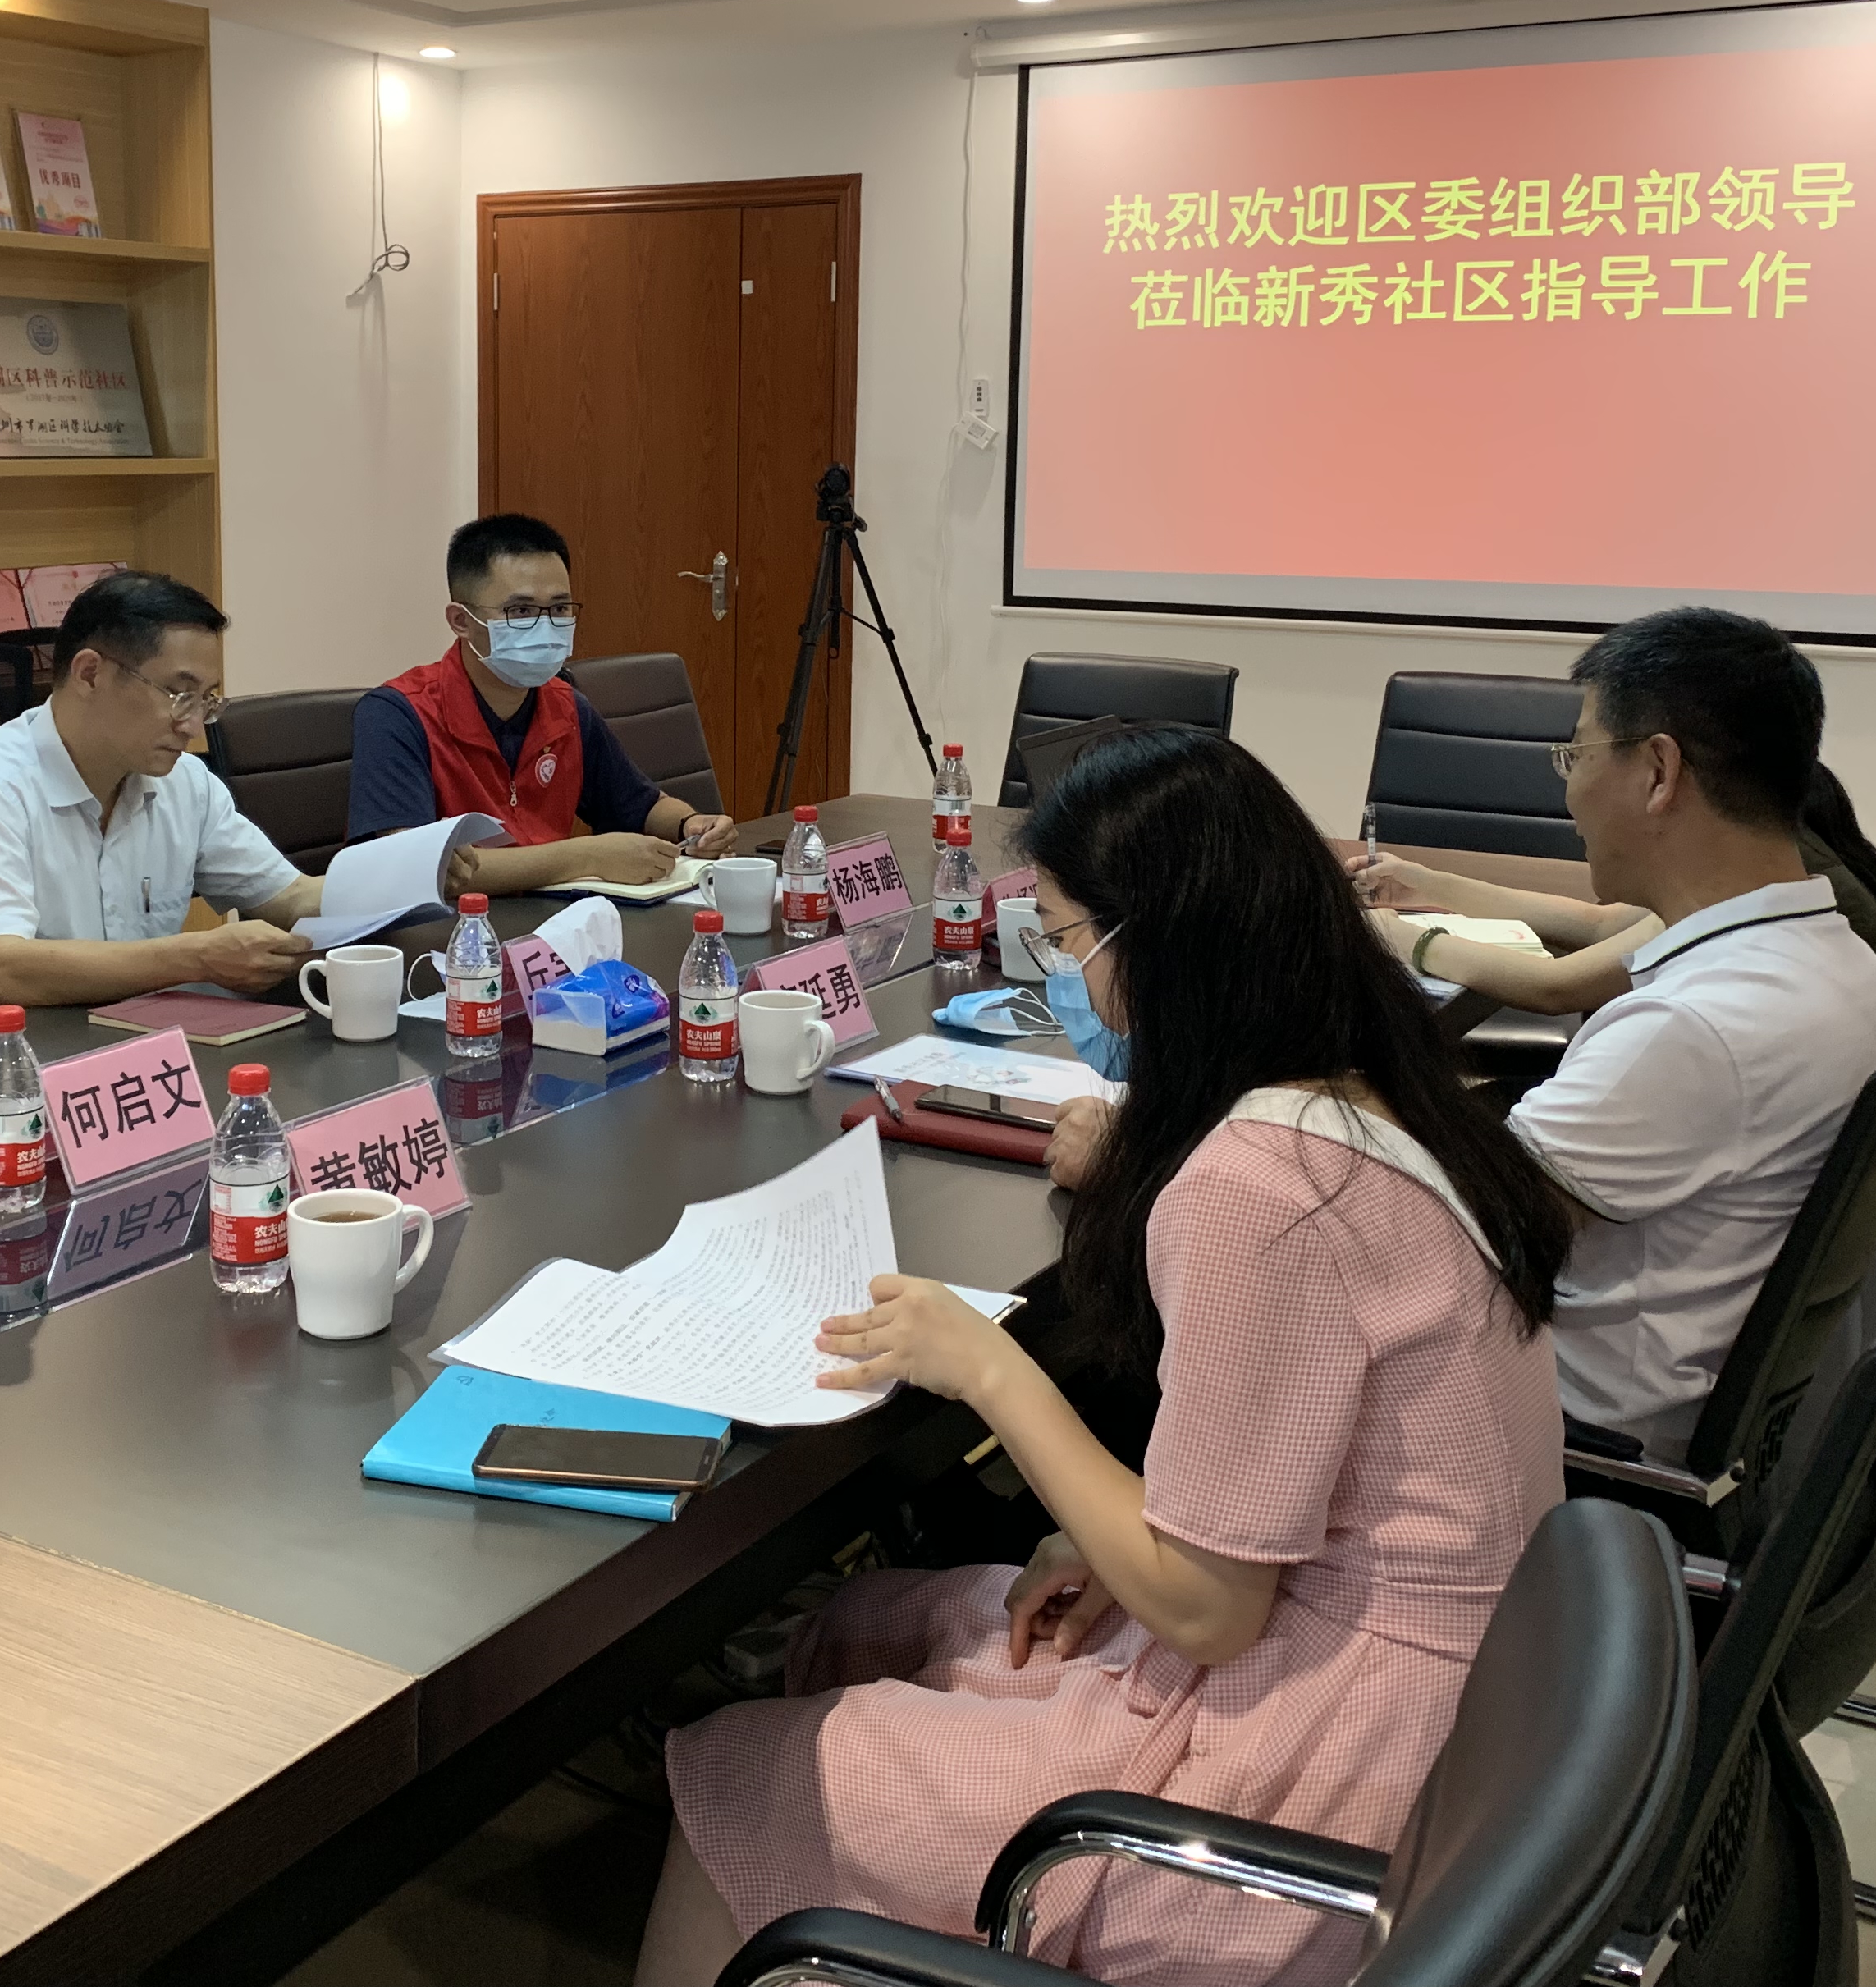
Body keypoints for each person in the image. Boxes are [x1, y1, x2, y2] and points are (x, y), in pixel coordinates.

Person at [637, 728, 1576, 1987]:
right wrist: (1117, 1524)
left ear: (1162, 946)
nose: (1062, 972)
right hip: (1448, 1700)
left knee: (743, 1767)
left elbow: (1209, 1609)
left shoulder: (1259, 1189)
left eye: (1068, 938)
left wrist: (987, 1367)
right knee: (874, 1618)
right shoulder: (1374, 1092)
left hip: (1322, 1771)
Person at [1479, 607, 1876, 1459]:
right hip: (1709, 1404)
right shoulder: (1846, 966)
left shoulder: (1691, 1029)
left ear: (1658, 772)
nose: (1568, 791)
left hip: (1578, 1435)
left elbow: (1462, 1232)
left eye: (1577, 755)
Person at [0, 570, 325, 1041]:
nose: (193, 726)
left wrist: (376, 884)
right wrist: (198, 957)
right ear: (90, 674)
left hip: (108, 1039)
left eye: (205, 700)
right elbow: (2, 971)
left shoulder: (184, 782)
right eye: (178, 695)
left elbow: (289, 897)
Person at [1348, 758, 1876, 1023]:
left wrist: (1404, 939)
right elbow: (1602, 923)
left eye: (1581, 756)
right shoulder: (1788, 848)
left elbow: (1557, 987)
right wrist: (1431, 885)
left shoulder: (1753, 887)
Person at [348, 512, 739, 894]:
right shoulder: (398, 714)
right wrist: (587, 857)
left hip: (554, 918)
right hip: (452, 928)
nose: (545, 625)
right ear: (461, 621)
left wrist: (691, 824)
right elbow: (416, 865)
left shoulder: (567, 706)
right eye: (521, 611)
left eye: (559, 608)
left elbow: (639, 805)